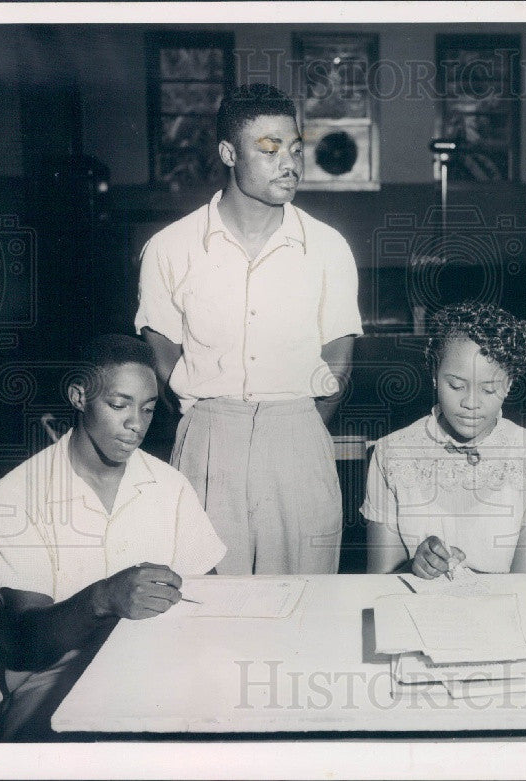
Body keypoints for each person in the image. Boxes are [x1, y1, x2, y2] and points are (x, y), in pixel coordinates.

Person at [135, 83, 363, 575]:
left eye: (296, 149)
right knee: (206, 614)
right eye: (270, 148)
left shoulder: (327, 249)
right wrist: (213, 425)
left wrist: (291, 431)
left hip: (300, 435)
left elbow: (338, 364)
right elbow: (162, 356)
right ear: (228, 153)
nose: (290, 163)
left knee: (304, 613)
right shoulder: (169, 248)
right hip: (209, 441)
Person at [0, 335, 226, 741]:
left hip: (158, 668)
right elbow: (24, 644)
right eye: (119, 405)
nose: (136, 424)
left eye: (148, 409)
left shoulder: (169, 485)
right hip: (54, 682)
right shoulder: (16, 495)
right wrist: (101, 599)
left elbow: (212, 598)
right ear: (79, 397)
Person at [362, 303, 526, 578]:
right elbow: (380, 577)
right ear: (435, 374)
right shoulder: (391, 453)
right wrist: (413, 568)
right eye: (456, 385)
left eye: (488, 389)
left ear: (509, 385)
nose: (471, 403)